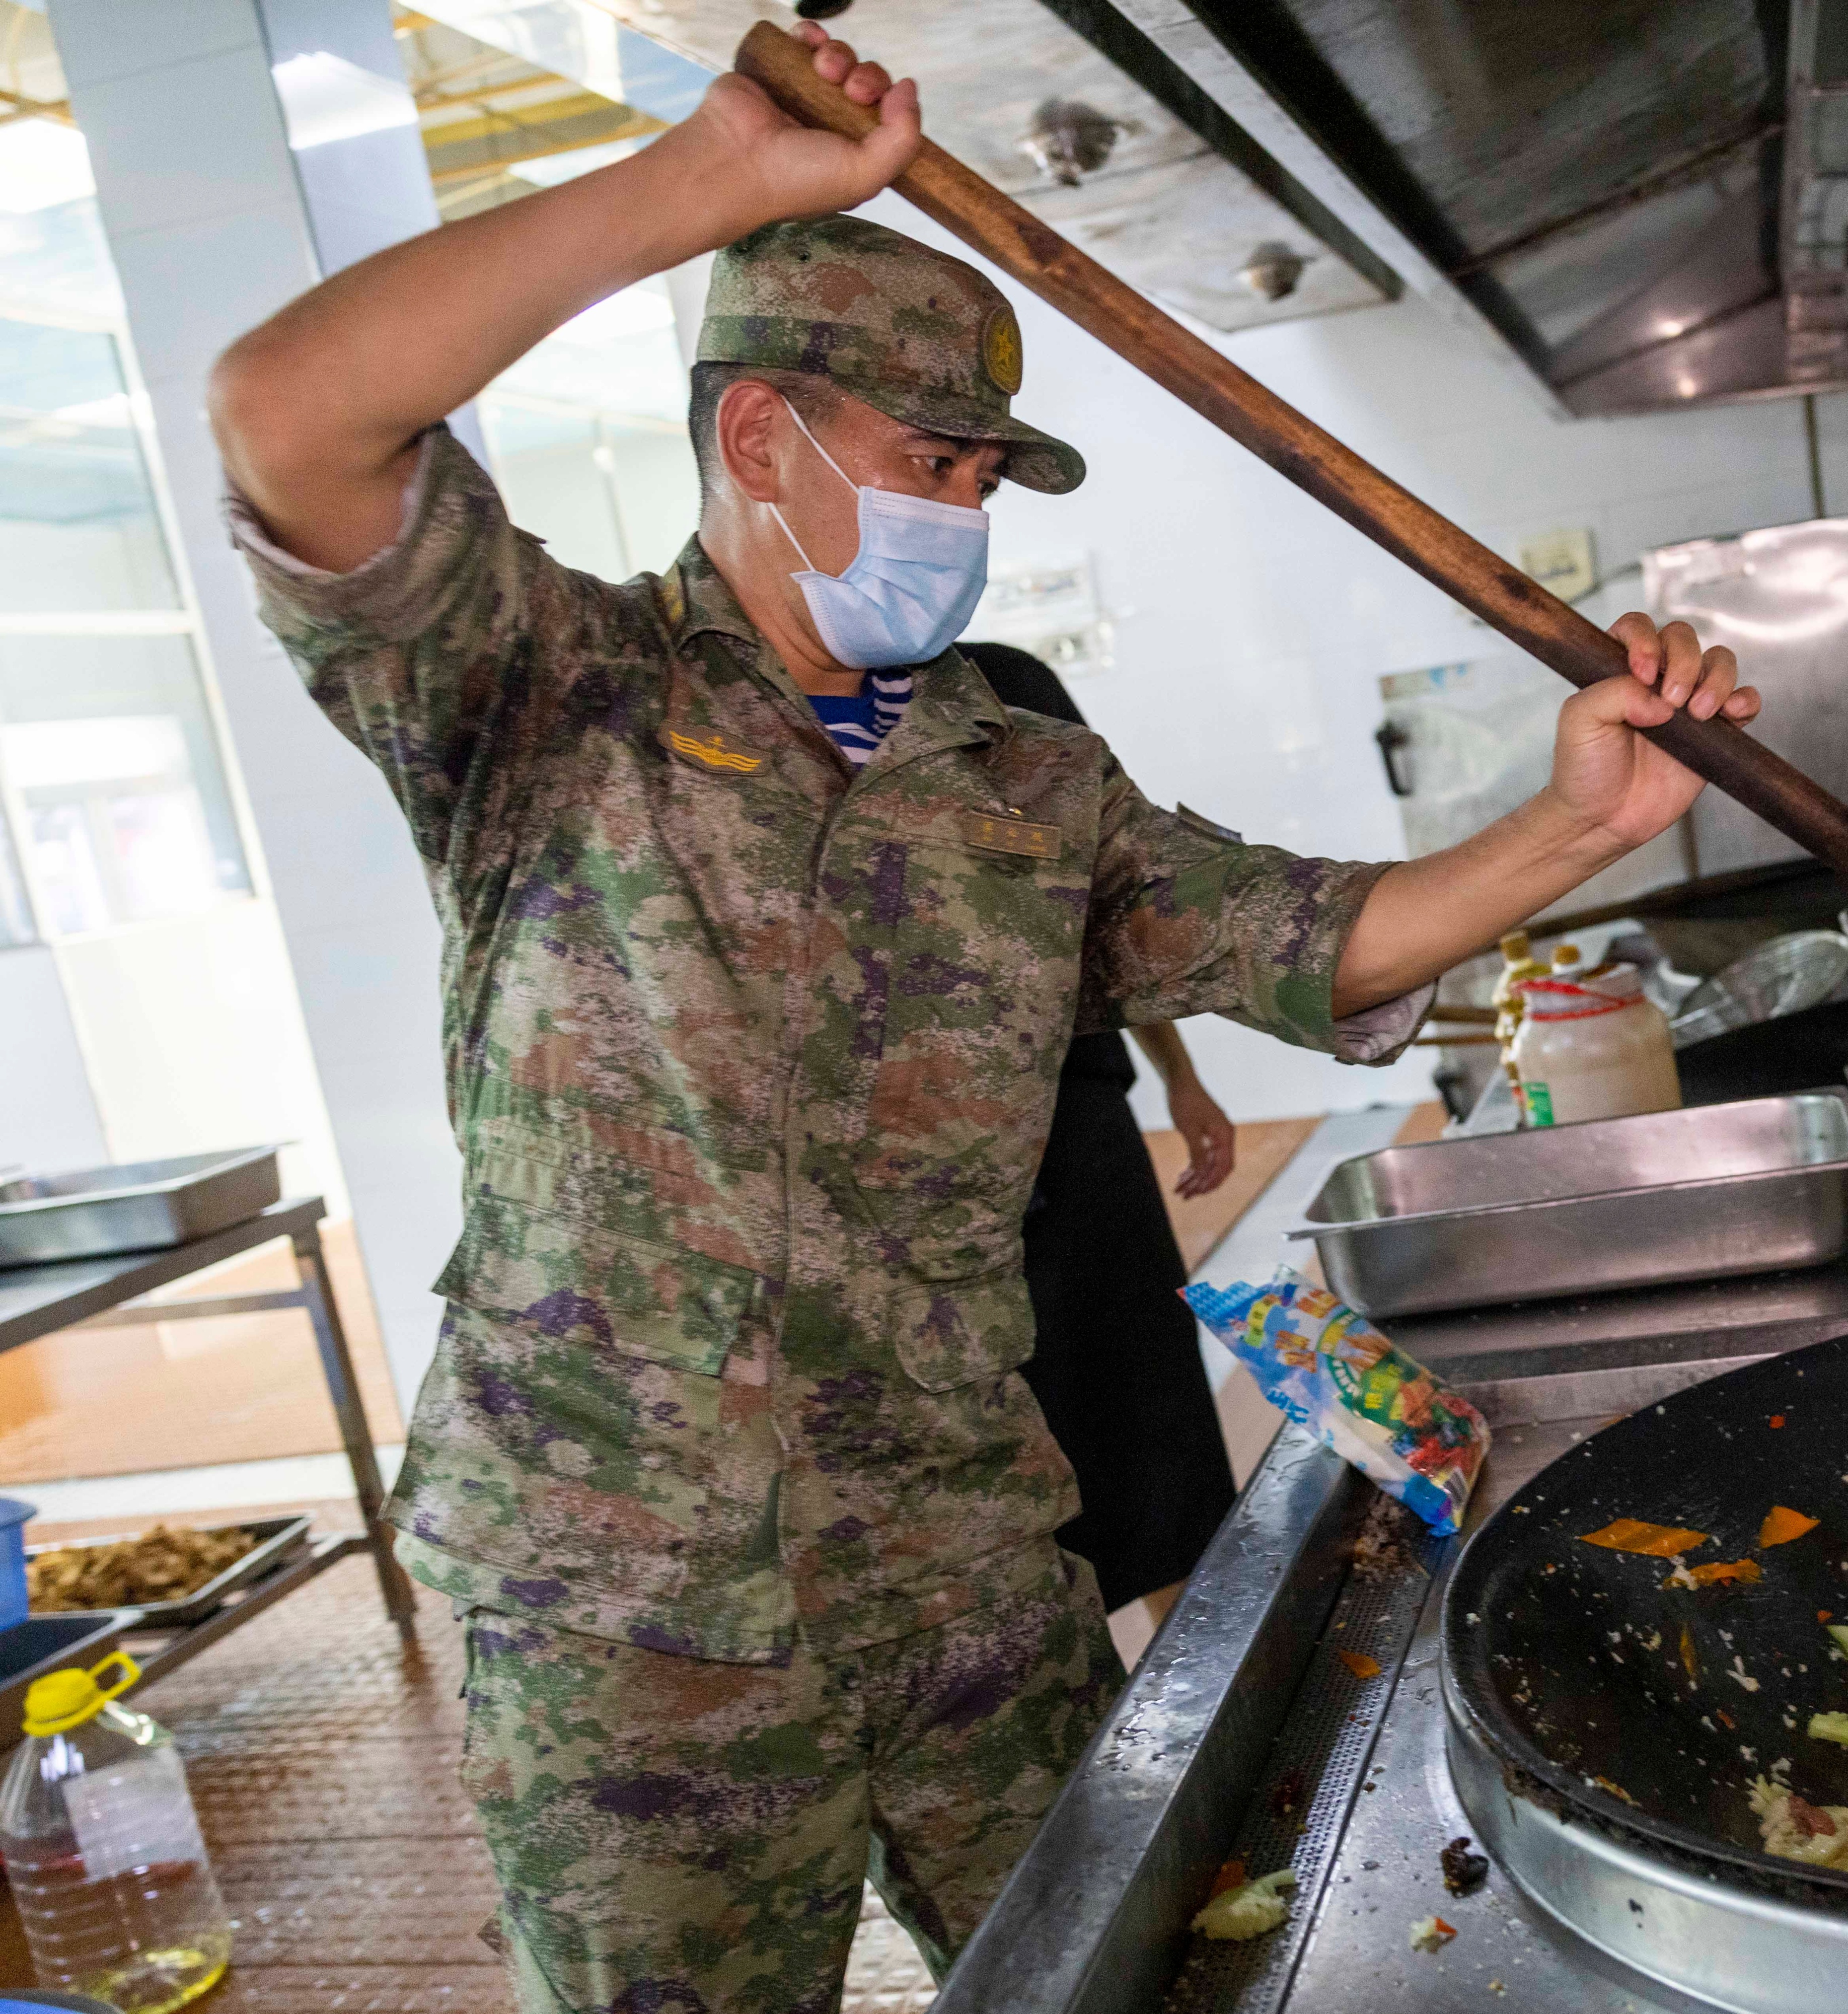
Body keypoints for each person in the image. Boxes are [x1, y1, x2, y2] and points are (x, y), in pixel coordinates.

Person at [204, 25, 1756, 2014]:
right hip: (631, 1632)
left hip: (958, 1579)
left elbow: (1309, 935)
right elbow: (285, 416)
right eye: (927, 466)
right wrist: (699, 187)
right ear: (759, 441)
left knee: (1097, 1984)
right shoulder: (544, 703)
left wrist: (1573, 820)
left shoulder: (1016, 782)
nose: (962, 517)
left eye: (980, 480)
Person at [962, 640, 1240, 1630]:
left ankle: (1194, 1680)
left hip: (1081, 1134)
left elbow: (1106, 932)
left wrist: (1183, 1079)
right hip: (959, 1171)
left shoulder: (1015, 689)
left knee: (1154, 1417)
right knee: (1030, 1447)